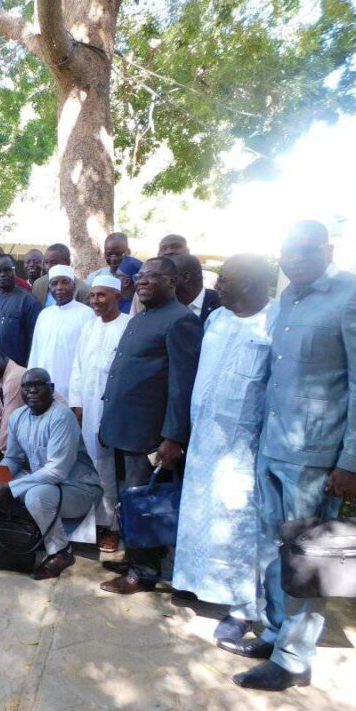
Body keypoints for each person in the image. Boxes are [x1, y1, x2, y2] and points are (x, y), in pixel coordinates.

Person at [223, 221, 356, 692]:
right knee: (270, 550)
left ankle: (294, 659)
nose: (294, 259)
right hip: (272, 447)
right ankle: (276, 633)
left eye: (304, 250)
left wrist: (353, 461)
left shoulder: (352, 296)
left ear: (327, 249)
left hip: (318, 456)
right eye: (286, 252)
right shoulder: (284, 301)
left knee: (309, 557)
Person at [172, 254, 274, 642]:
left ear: (248, 284)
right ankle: (195, 582)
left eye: (226, 279)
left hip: (243, 449)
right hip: (203, 442)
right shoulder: (216, 318)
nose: (218, 286)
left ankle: (242, 608)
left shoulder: (274, 323)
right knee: (199, 516)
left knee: (238, 527)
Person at [99, 256, 203, 595]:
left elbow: (181, 385)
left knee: (143, 501)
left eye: (152, 276)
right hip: (123, 426)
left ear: (172, 281)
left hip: (148, 433)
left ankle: (144, 572)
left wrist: (173, 436)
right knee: (129, 499)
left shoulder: (180, 321)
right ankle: (134, 557)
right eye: (140, 276)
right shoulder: (142, 317)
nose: (142, 281)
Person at [0, 368, 104, 580]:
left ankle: (61, 552)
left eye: (38, 385)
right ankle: (38, 530)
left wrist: (10, 487)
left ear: (51, 389)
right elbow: (14, 459)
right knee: (10, 485)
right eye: (26, 386)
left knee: (34, 495)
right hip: (49, 484)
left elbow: (57, 471)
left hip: (78, 489)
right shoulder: (18, 417)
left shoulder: (62, 416)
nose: (32, 390)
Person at [68, 275, 131, 552]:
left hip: (115, 411)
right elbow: (78, 368)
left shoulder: (129, 326)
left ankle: (113, 528)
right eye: (92, 296)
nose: (94, 301)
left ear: (117, 297)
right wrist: (76, 403)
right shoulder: (89, 327)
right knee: (87, 466)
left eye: (101, 296)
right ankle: (88, 525)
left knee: (112, 471)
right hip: (88, 411)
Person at [27, 265, 95, 401]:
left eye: (65, 282)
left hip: (73, 388)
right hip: (43, 387)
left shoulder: (87, 314)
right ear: (49, 288)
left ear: (74, 286)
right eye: (54, 283)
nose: (59, 287)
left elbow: (89, 357)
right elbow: (35, 352)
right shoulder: (44, 314)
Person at [0, 254, 41, 367]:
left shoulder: (28, 301)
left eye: (7, 270)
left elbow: (35, 341)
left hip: (16, 370)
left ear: (14, 271)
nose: (2, 275)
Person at [173, 253, 221, 323]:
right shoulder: (164, 305)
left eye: (168, 277)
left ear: (186, 277)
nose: (162, 282)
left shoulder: (221, 304)